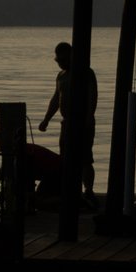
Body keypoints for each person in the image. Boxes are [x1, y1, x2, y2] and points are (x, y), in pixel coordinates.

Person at [38, 40, 98, 201]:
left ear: (72, 57)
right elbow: (56, 99)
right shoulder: (61, 76)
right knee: (65, 158)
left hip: (83, 122)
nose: (60, 64)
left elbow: (92, 96)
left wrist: (88, 118)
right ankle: (70, 189)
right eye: (58, 61)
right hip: (67, 123)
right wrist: (46, 120)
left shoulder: (86, 73)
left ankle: (89, 190)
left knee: (85, 158)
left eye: (63, 60)